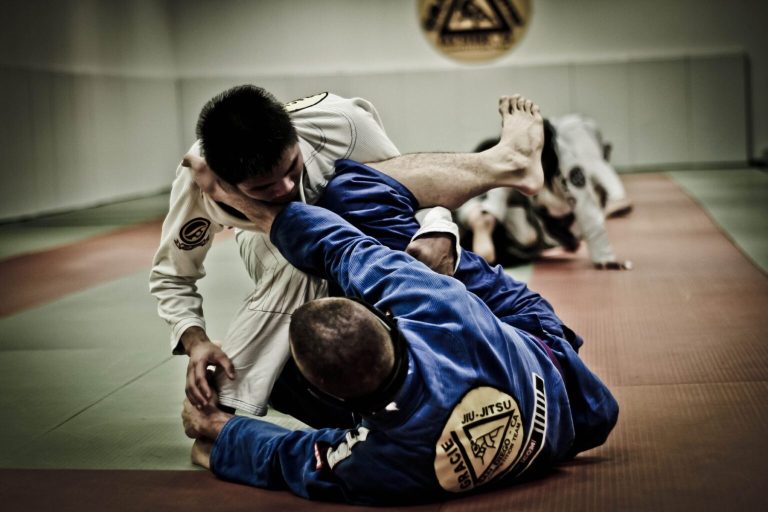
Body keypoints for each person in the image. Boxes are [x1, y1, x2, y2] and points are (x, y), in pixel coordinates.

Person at [181, 160, 619, 506]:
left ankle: (504, 163)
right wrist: (239, 198)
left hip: (547, 418)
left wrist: (217, 429)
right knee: (351, 194)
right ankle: (466, 213)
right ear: (387, 322)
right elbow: (342, 247)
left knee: (276, 380)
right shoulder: (434, 310)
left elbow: (285, 458)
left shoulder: (379, 465)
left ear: (333, 398)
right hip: (557, 382)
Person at [150, 85, 545, 422]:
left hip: (351, 216)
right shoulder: (198, 183)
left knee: (355, 191)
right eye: (264, 188)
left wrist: (439, 228)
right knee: (299, 266)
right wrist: (196, 342)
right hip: (267, 246)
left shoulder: (340, 122)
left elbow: (403, 195)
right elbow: (172, 275)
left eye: (292, 167)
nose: (285, 187)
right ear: (223, 180)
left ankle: (505, 164)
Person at [457, 116, 632, 269]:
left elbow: (586, 209)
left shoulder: (567, 164)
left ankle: (484, 226)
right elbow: (497, 197)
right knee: (499, 221)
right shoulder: (510, 156)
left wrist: (604, 257)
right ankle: (479, 224)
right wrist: (486, 220)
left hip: (546, 218)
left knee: (527, 236)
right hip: (502, 209)